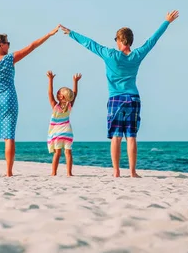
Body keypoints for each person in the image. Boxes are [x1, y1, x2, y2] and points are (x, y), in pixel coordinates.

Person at [60, 10, 179, 178]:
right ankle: (132, 172)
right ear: (130, 41)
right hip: (133, 99)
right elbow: (152, 41)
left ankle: (116, 172)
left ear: (120, 40)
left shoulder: (110, 55)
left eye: (116, 39)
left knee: (116, 137)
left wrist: (71, 34)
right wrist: (166, 21)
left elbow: (90, 44)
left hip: (116, 99)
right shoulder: (137, 55)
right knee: (131, 137)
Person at [0, 9, 59, 177]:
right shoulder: (9, 59)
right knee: (9, 136)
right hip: (9, 100)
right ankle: (8, 172)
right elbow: (32, 47)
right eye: (7, 42)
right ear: (1, 45)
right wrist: (49, 34)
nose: (10, 44)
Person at [46, 71, 82, 177]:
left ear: (61, 97)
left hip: (57, 134)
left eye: (58, 93)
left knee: (57, 153)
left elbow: (49, 93)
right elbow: (74, 94)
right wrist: (75, 82)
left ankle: (53, 172)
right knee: (68, 153)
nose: (56, 94)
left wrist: (50, 80)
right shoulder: (69, 106)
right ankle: (69, 173)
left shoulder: (55, 106)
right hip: (68, 133)